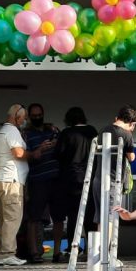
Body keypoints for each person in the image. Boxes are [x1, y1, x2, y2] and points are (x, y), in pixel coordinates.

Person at [52, 107, 98, 262]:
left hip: (71, 178)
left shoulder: (67, 133)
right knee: (90, 214)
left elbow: (58, 154)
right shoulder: (92, 131)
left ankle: (74, 248)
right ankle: (91, 249)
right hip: (90, 176)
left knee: (73, 215)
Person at [86, 105, 136, 236]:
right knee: (111, 215)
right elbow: (131, 157)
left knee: (101, 216)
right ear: (132, 123)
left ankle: (99, 247)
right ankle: (108, 247)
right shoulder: (126, 134)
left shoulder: (103, 130)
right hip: (113, 180)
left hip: (98, 179)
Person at [21, 103, 60, 263]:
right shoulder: (27, 135)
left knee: (58, 217)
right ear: (30, 117)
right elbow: (29, 157)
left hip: (55, 178)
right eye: (34, 116)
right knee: (34, 217)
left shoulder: (52, 130)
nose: (37, 118)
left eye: (40, 115)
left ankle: (57, 253)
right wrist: (41, 149)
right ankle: (34, 253)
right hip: (37, 180)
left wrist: (56, 143)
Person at [0, 104, 29, 266]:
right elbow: (18, 153)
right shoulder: (12, 131)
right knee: (12, 218)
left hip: (2, 179)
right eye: (23, 117)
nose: (24, 121)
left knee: (3, 219)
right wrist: (33, 154)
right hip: (11, 180)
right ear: (16, 116)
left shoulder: (1, 132)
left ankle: (0, 252)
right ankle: (7, 253)